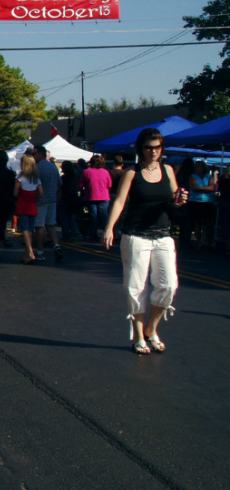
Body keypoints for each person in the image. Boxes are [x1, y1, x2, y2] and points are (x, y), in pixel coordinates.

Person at [103, 128, 188, 354]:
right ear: (141, 149)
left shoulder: (168, 170)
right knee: (136, 287)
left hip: (163, 235)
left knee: (168, 285)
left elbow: (174, 200)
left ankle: (151, 328)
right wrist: (110, 227)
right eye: (149, 148)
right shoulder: (132, 173)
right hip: (135, 235)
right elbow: (120, 202)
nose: (153, 152)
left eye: (157, 147)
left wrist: (180, 201)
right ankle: (139, 335)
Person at [33, 146, 63, 262]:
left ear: (41, 154)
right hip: (52, 199)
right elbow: (60, 183)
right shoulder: (53, 166)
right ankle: (56, 245)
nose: (33, 156)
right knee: (50, 224)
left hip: (41, 200)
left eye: (34, 154)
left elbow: (34, 185)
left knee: (39, 226)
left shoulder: (37, 168)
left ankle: (40, 251)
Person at [15, 155, 43, 264]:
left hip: (23, 204)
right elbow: (41, 193)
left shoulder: (21, 177)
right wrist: (34, 197)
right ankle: (27, 255)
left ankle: (30, 252)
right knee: (31, 229)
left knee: (25, 229)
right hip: (32, 204)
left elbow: (15, 192)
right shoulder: (36, 178)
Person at [79, 154, 112, 242]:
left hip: (92, 196)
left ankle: (93, 235)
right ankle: (106, 234)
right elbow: (109, 184)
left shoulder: (87, 172)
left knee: (94, 217)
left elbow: (81, 185)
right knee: (104, 216)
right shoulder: (105, 172)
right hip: (104, 196)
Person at [188, 160, 217, 250]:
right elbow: (193, 188)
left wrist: (199, 188)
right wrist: (206, 188)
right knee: (197, 223)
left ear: (203, 167)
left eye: (198, 167)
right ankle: (198, 243)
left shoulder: (209, 176)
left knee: (209, 223)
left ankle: (209, 242)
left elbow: (212, 187)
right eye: (195, 167)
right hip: (195, 201)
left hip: (207, 201)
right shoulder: (193, 176)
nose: (197, 169)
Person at [59, 160, 81, 242]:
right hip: (74, 198)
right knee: (72, 217)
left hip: (65, 198)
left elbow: (60, 189)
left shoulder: (63, 178)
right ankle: (75, 230)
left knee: (64, 218)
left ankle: (66, 235)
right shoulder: (75, 178)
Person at [218, 167, 230, 255]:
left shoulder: (223, 177)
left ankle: (228, 248)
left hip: (224, 201)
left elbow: (220, 189)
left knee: (226, 226)